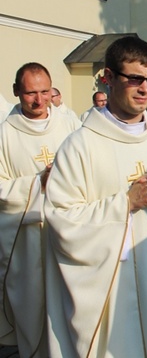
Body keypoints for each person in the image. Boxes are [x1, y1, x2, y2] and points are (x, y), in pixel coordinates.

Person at [45, 36, 147, 357]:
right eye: (134, 79)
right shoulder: (80, 145)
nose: (145, 89)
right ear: (109, 77)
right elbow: (61, 218)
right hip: (110, 281)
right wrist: (126, 203)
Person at [0, 63, 80, 357]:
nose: (39, 100)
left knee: (72, 307)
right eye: (30, 93)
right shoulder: (4, 134)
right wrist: (37, 182)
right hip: (27, 239)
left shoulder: (70, 125)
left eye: (45, 91)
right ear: (16, 92)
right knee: (34, 312)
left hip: (68, 232)